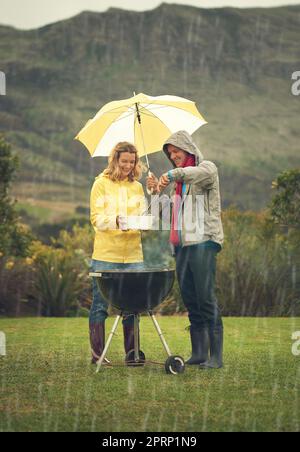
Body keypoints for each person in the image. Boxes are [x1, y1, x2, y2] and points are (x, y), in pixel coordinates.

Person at [147, 130, 224, 369]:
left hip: (203, 243)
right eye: (170, 154)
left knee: (205, 297)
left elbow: (191, 174)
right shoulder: (176, 187)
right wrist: (155, 193)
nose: (173, 155)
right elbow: (165, 215)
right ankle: (199, 353)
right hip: (182, 248)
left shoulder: (206, 169)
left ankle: (216, 357)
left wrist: (171, 174)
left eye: (176, 151)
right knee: (190, 298)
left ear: (187, 149)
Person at [89, 142, 146, 364]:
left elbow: (141, 217)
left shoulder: (138, 188)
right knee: (100, 306)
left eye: (132, 162)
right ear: (115, 160)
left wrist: (144, 221)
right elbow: (96, 219)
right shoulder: (100, 185)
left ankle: (132, 354)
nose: (128, 166)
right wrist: (116, 221)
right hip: (106, 256)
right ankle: (98, 356)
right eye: (124, 161)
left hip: (133, 256)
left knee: (132, 306)